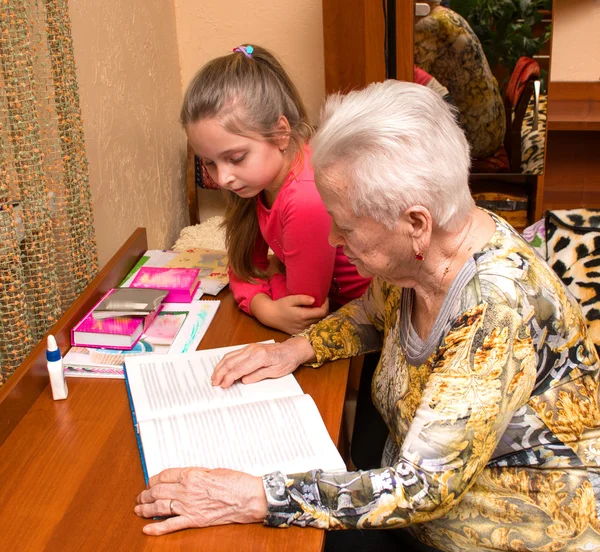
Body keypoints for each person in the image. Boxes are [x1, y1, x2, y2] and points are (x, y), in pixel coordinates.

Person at [135, 81, 600, 551]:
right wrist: (297, 348)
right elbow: (372, 311)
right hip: (412, 511)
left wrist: (258, 496)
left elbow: (423, 486)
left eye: (347, 226)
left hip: (511, 533)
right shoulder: (426, 255)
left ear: (417, 223)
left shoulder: (497, 309)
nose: (334, 239)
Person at [180, 44, 370, 335]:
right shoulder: (256, 180)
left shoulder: (306, 197)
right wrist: (262, 302)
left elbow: (305, 312)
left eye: (235, 158)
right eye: (210, 163)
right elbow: (246, 265)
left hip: (361, 318)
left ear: (281, 133)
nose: (223, 178)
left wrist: (267, 284)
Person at [414, 0, 505, 159]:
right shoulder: (448, 15)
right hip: (492, 128)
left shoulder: (427, 24)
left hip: (472, 137)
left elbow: (409, 82)